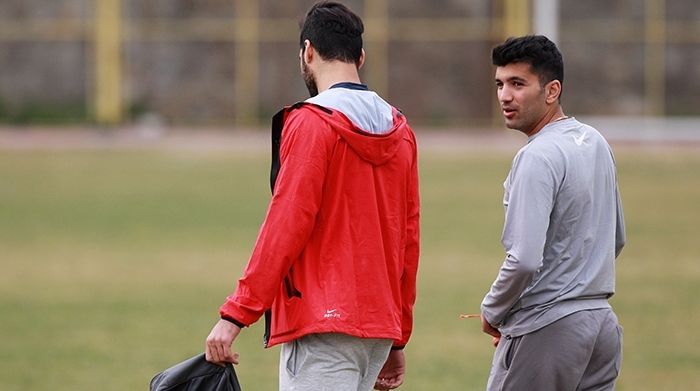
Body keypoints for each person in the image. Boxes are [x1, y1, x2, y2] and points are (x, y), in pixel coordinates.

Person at [205, 2, 420, 391]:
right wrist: (398, 333)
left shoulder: (311, 122)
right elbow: (408, 239)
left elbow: (286, 222)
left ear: (308, 51)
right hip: (377, 328)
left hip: (324, 323)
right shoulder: (400, 130)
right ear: (361, 57)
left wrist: (236, 314)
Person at [479, 35, 626, 390]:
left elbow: (525, 259)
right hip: (601, 328)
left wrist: (493, 311)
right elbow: (616, 238)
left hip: (547, 331)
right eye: (500, 84)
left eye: (518, 84)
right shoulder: (594, 141)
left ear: (552, 90)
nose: (504, 96)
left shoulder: (537, 156)